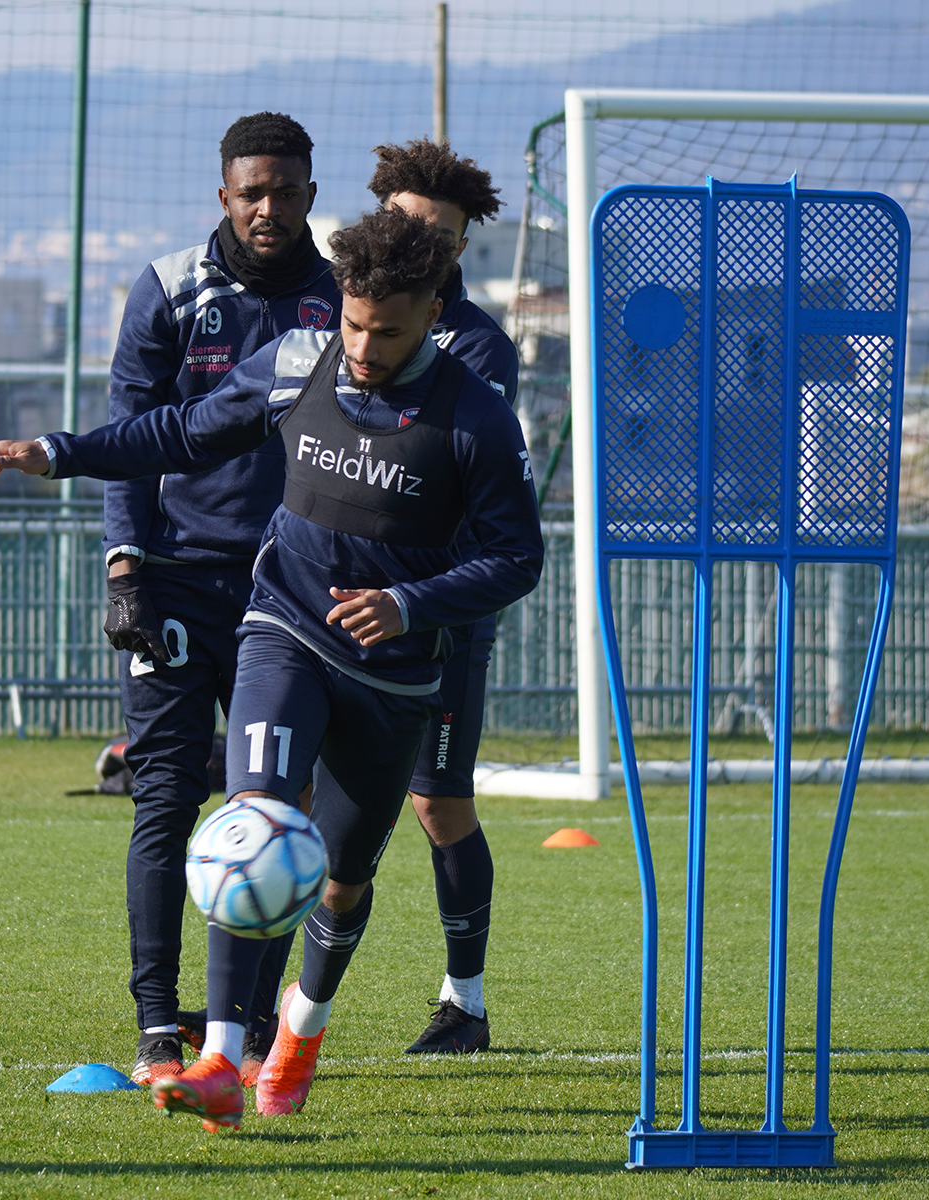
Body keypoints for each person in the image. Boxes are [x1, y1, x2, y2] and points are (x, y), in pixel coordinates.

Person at [0, 208, 544, 1132]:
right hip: (283, 624)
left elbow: (517, 560)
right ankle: (224, 1058)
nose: (360, 346)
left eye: (385, 331)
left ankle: (299, 1035)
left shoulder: (475, 419)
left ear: (433, 312)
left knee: (342, 877)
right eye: (350, 323)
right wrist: (61, 453)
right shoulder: (296, 360)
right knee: (255, 821)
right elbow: (182, 433)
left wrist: (408, 605)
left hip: (391, 676)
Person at [95, 111, 341, 1086]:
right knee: (161, 797)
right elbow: (132, 434)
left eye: (285, 191)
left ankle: (232, 1030)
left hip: (290, 599)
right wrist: (124, 569)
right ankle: (160, 1025)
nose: (269, 208)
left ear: (310, 195)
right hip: (174, 586)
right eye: (252, 193)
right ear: (224, 196)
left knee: (275, 812)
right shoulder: (166, 289)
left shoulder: (340, 302)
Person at [367, 139, 519, 1054]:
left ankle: (465, 1004)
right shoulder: (339, 312)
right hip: (329, 601)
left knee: (438, 802)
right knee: (294, 796)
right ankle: (256, 1008)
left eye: (447, 236)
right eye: (412, 223)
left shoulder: (477, 345)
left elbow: (430, 458)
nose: (427, 242)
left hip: (439, 610)